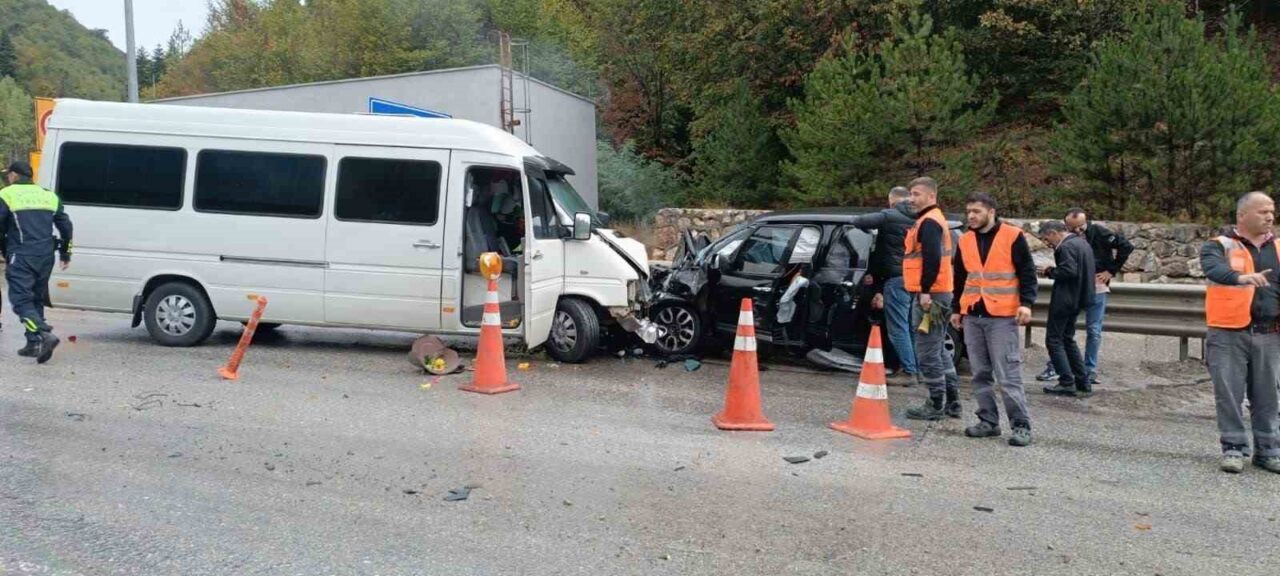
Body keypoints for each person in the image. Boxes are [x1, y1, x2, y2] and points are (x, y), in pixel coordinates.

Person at [1198, 191, 1280, 474]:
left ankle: (1268, 451)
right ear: (1242, 215)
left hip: (1270, 333)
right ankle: (1233, 448)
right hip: (1228, 332)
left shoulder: (1279, 247)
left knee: (1269, 396)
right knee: (1229, 394)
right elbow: (1213, 270)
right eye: (1262, 211)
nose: (1270, 216)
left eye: (1272, 211)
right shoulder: (1218, 245)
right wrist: (1240, 278)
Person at [950, 193, 1038, 446]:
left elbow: (1027, 273)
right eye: (969, 211)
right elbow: (960, 277)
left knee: (1007, 373)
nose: (971, 216)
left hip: (1002, 316)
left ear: (991, 211)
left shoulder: (1012, 236)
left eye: (976, 211)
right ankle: (988, 421)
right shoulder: (965, 240)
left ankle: (1021, 425)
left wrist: (1026, 303)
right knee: (979, 373)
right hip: (973, 315)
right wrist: (957, 309)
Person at [1036, 208, 1134, 384]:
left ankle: (1087, 370)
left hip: (1092, 286)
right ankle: (1063, 370)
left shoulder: (1098, 233)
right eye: (1072, 228)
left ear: (1086, 221)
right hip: (1080, 289)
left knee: (1088, 331)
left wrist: (1111, 271)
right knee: (1066, 335)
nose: (1077, 231)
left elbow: (1126, 247)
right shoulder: (1074, 241)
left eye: (1080, 227)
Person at [901, 176, 961, 420]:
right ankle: (953, 401)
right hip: (938, 292)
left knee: (926, 350)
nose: (911, 199)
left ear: (931, 196)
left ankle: (935, 403)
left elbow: (932, 259)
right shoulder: (932, 220)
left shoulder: (929, 222)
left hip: (931, 295)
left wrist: (924, 290)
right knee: (938, 348)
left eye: (916, 194)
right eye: (911, 194)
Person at [0, 161, 72, 364]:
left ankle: (43, 334)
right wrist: (66, 254)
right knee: (36, 299)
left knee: (21, 300)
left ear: (14, 175)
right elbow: (66, 227)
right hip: (46, 256)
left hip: (22, 255)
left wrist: (4, 251)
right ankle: (34, 344)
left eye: (9, 175)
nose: (8, 178)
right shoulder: (48, 195)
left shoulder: (7, 194)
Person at [850, 186, 918, 384]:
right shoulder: (920, 217)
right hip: (914, 279)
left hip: (896, 279)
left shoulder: (889, 215)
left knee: (898, 328)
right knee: (912, 327)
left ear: (892, 201)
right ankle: (918, 368)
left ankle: (909, 371)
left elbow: (858, 221)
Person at [1038, 221, 1095, 398]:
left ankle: (1066, 382)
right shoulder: (1081, 243)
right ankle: (1082, 381)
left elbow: (1069, 271)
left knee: (1054, 340)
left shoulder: (1066, 247)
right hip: (1079, 298)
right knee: (1067, 339)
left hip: (1065, 299)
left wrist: (1049, 271)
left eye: (1047, 239)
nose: (1047, 244)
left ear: (1054, 233)